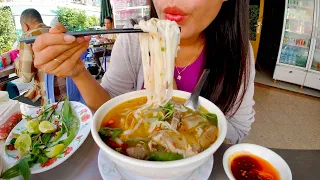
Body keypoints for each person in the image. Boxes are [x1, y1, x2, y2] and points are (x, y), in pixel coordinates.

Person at [32, 0, 255, 144]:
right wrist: (77, 71)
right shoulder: (133, 39)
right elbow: (109, 107)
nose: (172, 2)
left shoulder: (237, 53)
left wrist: (181, 115)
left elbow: (237, 130)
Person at [14, 8, 68, 106]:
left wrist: (17, 62)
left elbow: (26, 77)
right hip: (71, 91)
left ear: (25, 26)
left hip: (51, 98)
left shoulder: (28, 37)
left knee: (17, 103)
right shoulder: (57, 32)